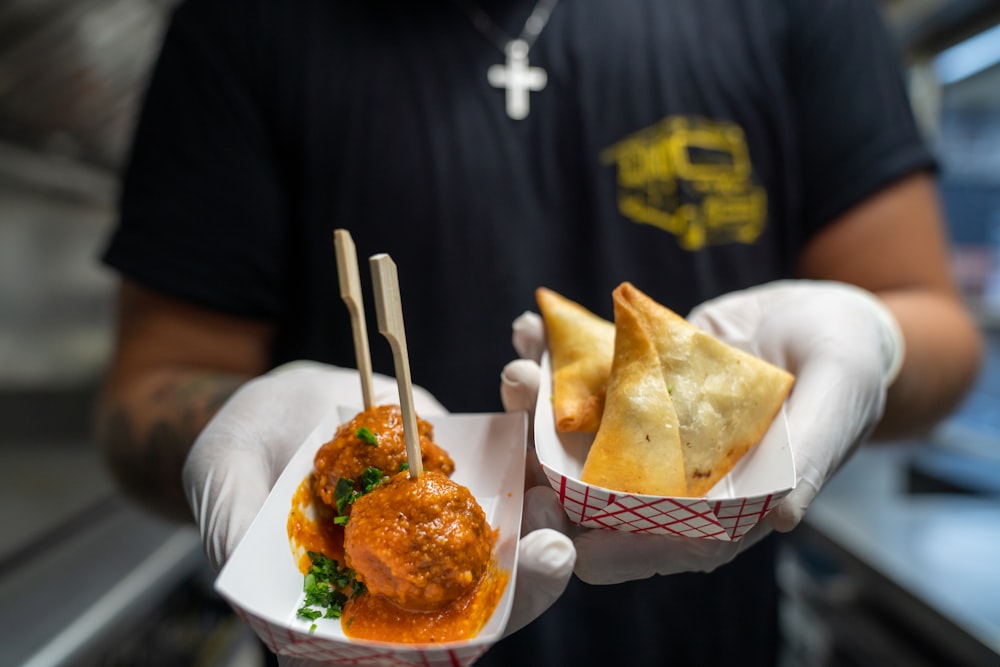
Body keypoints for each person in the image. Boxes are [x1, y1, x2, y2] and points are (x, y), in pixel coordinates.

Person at [95, 0, 984, 664]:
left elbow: (937, 328)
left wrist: (873, 336)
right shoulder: (241, 23)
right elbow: (153, 386)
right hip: (346, 636)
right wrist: (257, 433)